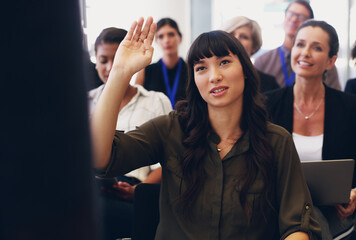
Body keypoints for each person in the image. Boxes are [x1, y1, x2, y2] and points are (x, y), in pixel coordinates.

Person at [91, 17, 322, 239]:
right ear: (194, 80)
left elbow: (297, 224)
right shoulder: (172, 129)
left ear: (245, 70)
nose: (215, 76)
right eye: (201, 68)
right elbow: (100, 158)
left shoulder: (276, 141)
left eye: (224, 62)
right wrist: (120, 72)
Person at [265, 20, 356, 239]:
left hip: (334, 214)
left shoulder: (350, 106)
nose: (305, 53)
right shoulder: (267, 104)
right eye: (300, 44)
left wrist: (354, 194)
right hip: (279, 213)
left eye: (316, 47)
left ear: (331, 61)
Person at [89, 27, 172, 239]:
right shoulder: (85, 102)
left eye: (116, 59)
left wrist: (138, 190)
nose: (110, 68)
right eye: (103, 60)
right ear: (95, 61)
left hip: (138, 191)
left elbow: (170, 163)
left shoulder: (155, 101)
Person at [254, 0, 341, 90]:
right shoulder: (263, 61)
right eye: (290, 14)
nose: (294, 19)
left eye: (300, 16)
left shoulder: (324, 64)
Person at [135, 17, 187, 109]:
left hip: (187, 122)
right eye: (161, 36)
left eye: (171, 34)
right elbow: (136, 104)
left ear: (180, 38)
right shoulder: (146, 71)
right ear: (156, 41)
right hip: (155, 122)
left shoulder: (191, 69)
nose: (166, 40)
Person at [220, 16, 279, 93]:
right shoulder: (210, 76)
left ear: (254, 46)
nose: (236, 39)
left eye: (244, 37)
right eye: (231, 34)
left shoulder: (268, 84)